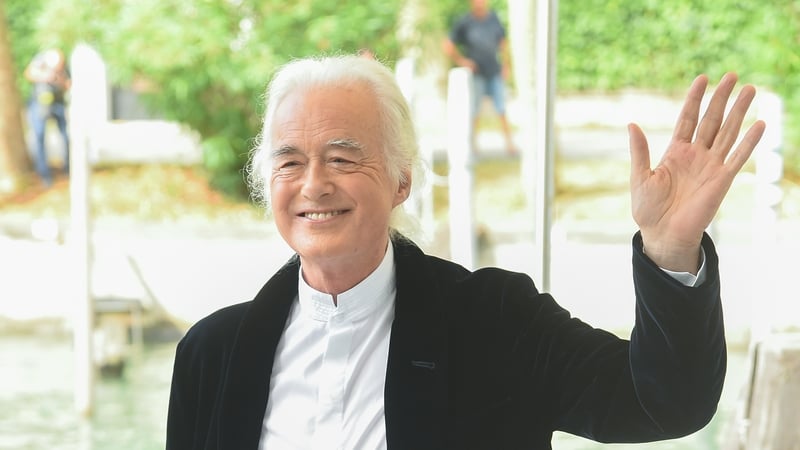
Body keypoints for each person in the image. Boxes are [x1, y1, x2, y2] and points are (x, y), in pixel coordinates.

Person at [165, 54, 765, 449]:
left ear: (402, 179)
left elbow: (664, 404)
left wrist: (671, 249)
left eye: (343, 158)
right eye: (289, 161)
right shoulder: (211, 355)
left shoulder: (496, 321)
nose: (313, 184)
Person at [444, 0, 517, 155]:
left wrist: (506, 65)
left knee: (501, 109)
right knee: (475, 110)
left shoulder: (494, 19)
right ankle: (472, 145)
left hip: (494, 72)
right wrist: (462, 61)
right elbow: (448, 45)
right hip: (477, 74)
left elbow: (503, 44)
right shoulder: (465, 22)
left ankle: (509, 144)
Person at [24, 48, 71, 187]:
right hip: (40, 103)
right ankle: (44, 175)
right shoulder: (40, 61)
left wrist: (59, 80)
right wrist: (45, 76)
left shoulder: (64, 67)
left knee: (65, 137)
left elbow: (69, 84)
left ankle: (68, 169)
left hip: (58, 103)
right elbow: (28, 73)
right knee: (39, 137)